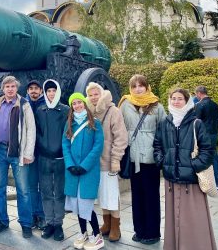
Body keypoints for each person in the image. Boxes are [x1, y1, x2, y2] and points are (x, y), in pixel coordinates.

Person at [154, 88, 217, 250]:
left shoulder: (196, 123)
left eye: (180, 98)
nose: (176, 101)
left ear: (187, 101)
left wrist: (193, 165)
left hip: (191, 182)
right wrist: (162, 161)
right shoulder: (164, 123)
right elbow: (157, 145)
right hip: (171, 182)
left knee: (194, 220)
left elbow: (208, 150)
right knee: (172, 219)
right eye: (173, 98)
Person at [0, 75, 36, 239]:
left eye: (13, 86)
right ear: (3, 89)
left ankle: (26, 223)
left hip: (17, 151)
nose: (10, 89)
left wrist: (28, 153)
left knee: (23, 190)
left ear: (17, 88)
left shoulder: (24, 104)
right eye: (7, 87)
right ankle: (3, 220)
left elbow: (31, 130)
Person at [119, 74, 166, 245]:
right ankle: (139, 230)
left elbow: (163, 131)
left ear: (147, 87)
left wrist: (160, 153)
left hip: (150, 158)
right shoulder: (125, 104)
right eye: (134, 86)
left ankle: (152, 232)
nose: (138, 89)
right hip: (132, 158)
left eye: (141, 85)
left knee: (151, 196)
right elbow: (120, 128)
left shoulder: (157, 105)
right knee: (137, 196)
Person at [86, 82, 127, 242]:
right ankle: (107, 223)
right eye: (90, 95)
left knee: (111, 194)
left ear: (102, 94)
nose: (93, 97)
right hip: (94, 162)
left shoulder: (113, 111)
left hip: (109, 160)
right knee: (102, 195)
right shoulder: (89, 111)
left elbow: (121, 137)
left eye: (96, 94)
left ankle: (116, 226)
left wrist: (116, 159)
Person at [63, 93, 105, 250]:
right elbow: (65, 145)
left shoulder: (95, 123)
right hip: (73, 170)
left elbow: (98, 146)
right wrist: (70, 164)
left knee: (86, 203)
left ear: (85, 104)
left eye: (80, 102)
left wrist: (84, 165)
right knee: (76, 204)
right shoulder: (69, 124)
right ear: (72, 107)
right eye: (74, 104)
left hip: (88, 171)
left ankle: (97, 234)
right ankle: (83, 232)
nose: (77, 105)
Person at [34, 79, 69, 241]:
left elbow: (68, 133)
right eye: (48, 91)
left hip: (60, 157)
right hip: (44, 158)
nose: (51, 93)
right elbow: (36, 132)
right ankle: (49, 222)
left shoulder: (65, 110)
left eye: (54, 90)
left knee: (59, 192)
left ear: (58, 91)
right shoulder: (40, 110)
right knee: (46, 191)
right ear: (45, 93)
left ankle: (58, 223)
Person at [25, 79, 46, 230]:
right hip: (29, 152)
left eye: (36, 88)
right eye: (31, 88)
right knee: (32, 185)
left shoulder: (46, 105)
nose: (33, 91)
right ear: (27, 91)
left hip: (43, 151)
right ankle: (34, 214)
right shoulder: (23, 105)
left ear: (41, 91)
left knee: (43, 185)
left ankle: (43, 215)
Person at [195, 85, 218, 190]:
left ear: (199, 93)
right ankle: (216, 182)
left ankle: (210, 182)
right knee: (213, 156)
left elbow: (196, 122)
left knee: (204, 158)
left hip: (203, 135)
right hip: (214, 133)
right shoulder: (216, 105)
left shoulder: (199, 105)